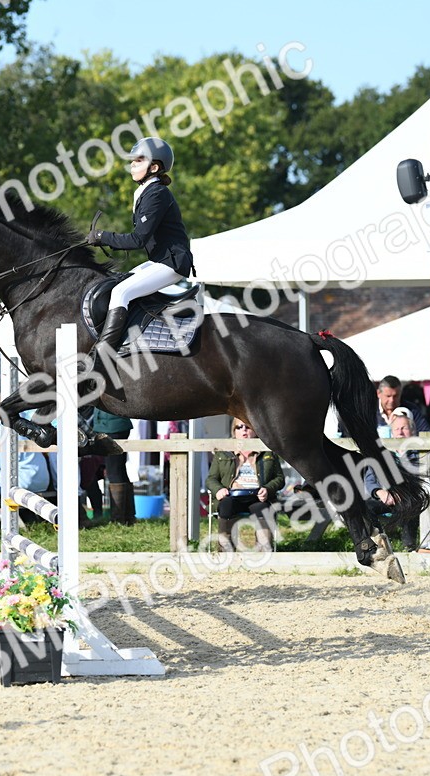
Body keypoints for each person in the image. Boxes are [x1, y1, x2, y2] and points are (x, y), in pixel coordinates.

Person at [86, 137, 194, 370]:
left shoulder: (157, 193)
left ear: (154, 168)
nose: (133, 165)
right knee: (120, 281)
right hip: (160, 260)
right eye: (133, 160)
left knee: (121, 293)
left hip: (172, 263)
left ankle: (102, 357)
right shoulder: (146, 192)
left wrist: (103, 237)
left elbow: (137, 239)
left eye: (139, 160)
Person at [205, 419, 285, 552]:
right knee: (226, 506)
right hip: (232, 495)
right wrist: (218, 489)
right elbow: (211, 479)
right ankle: (225, 550)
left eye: (248, 427)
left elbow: (280, 478)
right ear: (234, 431)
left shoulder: (267, 451)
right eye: (239, 427)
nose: (244, 430)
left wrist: (268, 489)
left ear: (255, 430)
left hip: (257, 496)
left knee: (264, 509)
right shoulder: (223, 452)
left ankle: (264, 551)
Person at [0, 416, 53, 537]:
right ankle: (27, 520)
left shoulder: (4, 428)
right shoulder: (24, 425)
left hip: (23, 479)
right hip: (41, 480)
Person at [363, 410, 422, 552]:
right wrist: (380, 492)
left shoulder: (420, 452)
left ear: (412, 432)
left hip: (410, 497)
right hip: (387, 498)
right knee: (365, 507)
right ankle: (379, 545)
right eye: (397, 429)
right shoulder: (382, 454)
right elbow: (370, 479)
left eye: (404, 428)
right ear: (392, 432)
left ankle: (409, 548)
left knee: (411, 504)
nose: (400, 432)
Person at [93, 408, 135, 525]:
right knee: (119, 470)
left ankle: (118, 519)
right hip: (114, 424)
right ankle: (128, 517)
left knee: (114, 472)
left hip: (110, 426)